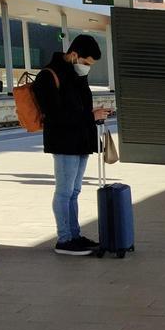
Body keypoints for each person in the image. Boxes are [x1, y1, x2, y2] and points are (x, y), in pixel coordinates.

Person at [32, 34, 109, 256]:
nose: (87, 68)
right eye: (86, 63)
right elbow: (55, 115)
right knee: (64, 192)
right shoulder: (49, 76)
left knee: (74, 191)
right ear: (74, 55)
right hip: (63, 141)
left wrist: (91, 115)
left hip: (81, 140)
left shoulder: (76, 75)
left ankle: (75, 235)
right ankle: (64, 239)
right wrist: (89, 116)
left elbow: (79, 108)